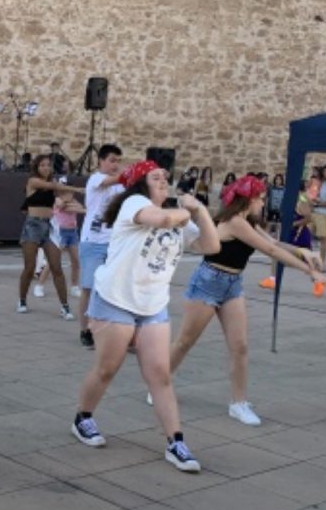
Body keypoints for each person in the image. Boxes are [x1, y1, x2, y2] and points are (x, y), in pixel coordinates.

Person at [71, 160, 219, 473]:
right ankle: (83, 417)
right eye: (156, 177)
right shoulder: (135, 204)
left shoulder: (178, 216)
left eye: (166, 177)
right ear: (142, 183)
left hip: (152, 305)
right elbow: (164, 219)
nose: (164, 181)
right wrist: (188, 211)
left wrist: (201, 211)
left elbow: (211, 245)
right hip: (115, 299)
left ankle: (176, 442)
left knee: (160, 375)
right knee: (107, 369)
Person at [166, 175, 326, 426]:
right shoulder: (234, 222)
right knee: (185, 341)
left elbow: (273, 242)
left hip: (232, 284)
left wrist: (302, 251)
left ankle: (238, 403)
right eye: (260, 199)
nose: (263, 204)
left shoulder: (249, 222)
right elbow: (271, 251)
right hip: (209, 281)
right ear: (248, 200)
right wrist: (309, 271)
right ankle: (160, 384)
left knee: (240, 346)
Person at [17, 154, 84, 317]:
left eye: (48, 165)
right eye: (42, 165)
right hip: (33, 225)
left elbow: (60, 193)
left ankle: (65, 306)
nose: (46, 168)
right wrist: (77, 189)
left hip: (49, 226)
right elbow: (52, 186)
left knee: (56, 267)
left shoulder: (53, 184)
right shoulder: (33, 181)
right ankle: (22, 299)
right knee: (29, 268)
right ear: (37, 167)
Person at [77, 144, 124, 349]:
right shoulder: (96, 179)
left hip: (113, 242)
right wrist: (133, 173)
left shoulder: (120, 187)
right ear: (101, 161)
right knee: (89, 288)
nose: (116, 164)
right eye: (112, 160)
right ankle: (85, 329)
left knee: (109, 290)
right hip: (93, 241)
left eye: (118, 161)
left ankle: (107, 329)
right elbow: (112, 180)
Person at [259, 180, 319, 289]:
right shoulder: (291, 198)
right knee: (277, 253)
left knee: (307, 259)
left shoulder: (302, 198)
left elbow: (308, 217)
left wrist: (294, 224)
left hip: (299, 233)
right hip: (289, 232)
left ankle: (318, 280)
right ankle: (273, 279)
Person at [34, 191, 84, 298]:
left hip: (73, 232)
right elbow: (63, 206)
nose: (68, 194)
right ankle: (39, 286)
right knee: (53, 261)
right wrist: (72, 205)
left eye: (70, 193)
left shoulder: (73, 201)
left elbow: (79, 207)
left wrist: (74, 205)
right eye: (64, 192)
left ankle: (74, 287)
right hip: (60, 232)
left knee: (76, 260)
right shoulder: (56, 200)